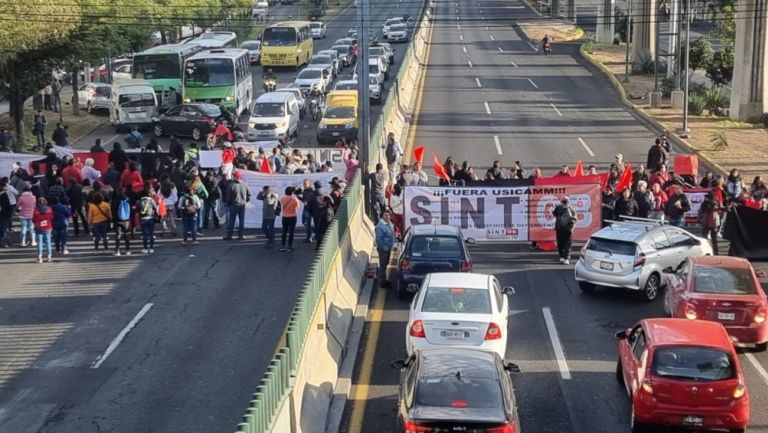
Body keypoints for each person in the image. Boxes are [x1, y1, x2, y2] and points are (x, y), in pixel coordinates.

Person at [223, 171, 250, 240]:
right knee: (241, 220)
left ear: (234, 177)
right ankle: (240, 235)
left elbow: (228, 197)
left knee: (231, 221)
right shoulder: (244, 184)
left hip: (233, 205)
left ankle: (229, 235)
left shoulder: (231, 185)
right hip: (242, 205)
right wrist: (245, 201)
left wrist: (228, 203)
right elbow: (249, 195)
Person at [552, 196, 577, 264]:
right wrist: (573, 228)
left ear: (561, 201)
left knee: (560, 242)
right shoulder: (571, 208)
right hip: (568, 228)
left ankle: (562, 257)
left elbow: (554, 214)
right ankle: (566, 258)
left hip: (560, 228)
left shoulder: (558, 207)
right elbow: (575, 219)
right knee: (568, 243)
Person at [375, 210, 394, 286]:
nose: (387, 217)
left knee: (385, 264)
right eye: (386, 215)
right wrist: (384, 247)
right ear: (382, 216)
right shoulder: (379, 227)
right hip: (383, 250)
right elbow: (379, 239)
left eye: (388, 215)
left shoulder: (389, 223)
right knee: (383, 266)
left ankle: (384, 279)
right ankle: (382, 282)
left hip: (388, 248)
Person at [279, 186, 301, 252]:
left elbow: (281, 207)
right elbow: (297, 207)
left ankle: (282, 246)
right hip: (292, 216)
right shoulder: (295, 199)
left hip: (284, 216)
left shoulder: (282, 199)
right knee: (291, 232)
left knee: (284, 232)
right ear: (292, 192)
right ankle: (289, 246)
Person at [137, 189, 158, 254]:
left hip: (143, 219)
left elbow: (137, 210)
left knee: (145, 234)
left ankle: (145, 248)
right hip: (151, 218)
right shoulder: (151, 200)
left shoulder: (139, 201)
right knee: (151, 234)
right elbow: (156, 208)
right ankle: (151, 248)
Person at [32, 197, 54, 263]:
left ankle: (39, 257)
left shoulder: (35, 210)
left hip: (39, 227)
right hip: (48, 227)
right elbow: (52, 217)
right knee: (48, 242)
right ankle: (49, 257)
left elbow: (33, 219)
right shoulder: (49, 209)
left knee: (39, 242)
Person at [111, 188, 132, 255]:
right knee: (126, 234)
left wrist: (113, 220)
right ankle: (127, 250)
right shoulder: (128, 199)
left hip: (117, 220)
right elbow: (131, 209)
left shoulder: (114, 200)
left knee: (118, 234)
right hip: (126, 219)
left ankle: (117, 250)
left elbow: (113, 211)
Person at [300, 179, 315, 243]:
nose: (304, 185)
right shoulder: (304, 190)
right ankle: (313, 231)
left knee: (307, 224)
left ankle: (309, 238)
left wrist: (307, 202)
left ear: (309, 184)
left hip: (309, 209)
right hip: (305, 208)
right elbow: (303, 200)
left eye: (305, 184)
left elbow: (313, 200)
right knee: (303, 222)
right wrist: (298, 197)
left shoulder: (312, 191)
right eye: (304, 184)